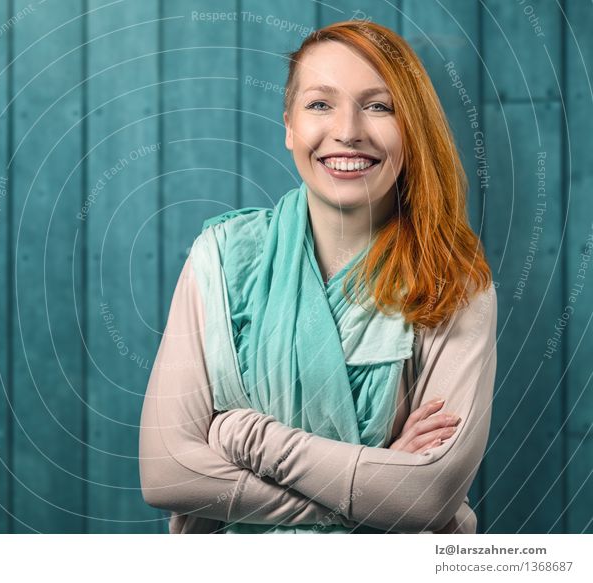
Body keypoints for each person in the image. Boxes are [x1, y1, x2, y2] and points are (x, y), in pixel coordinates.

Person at [139, 20, 496, 534]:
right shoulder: (220, 258)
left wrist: (247, 439)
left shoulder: (453, 284)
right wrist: (373, 492)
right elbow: (167, 476)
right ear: (289, 125)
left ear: (411, 128)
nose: (348, 130)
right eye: (320, 104)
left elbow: (426, 498)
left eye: (379, 106)